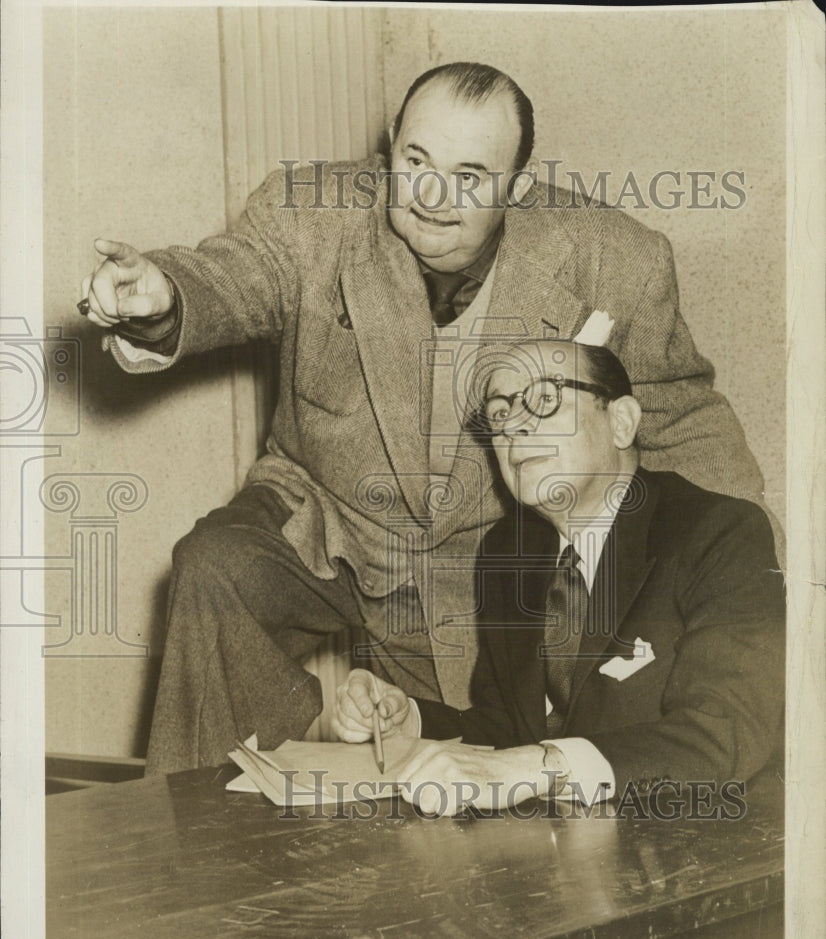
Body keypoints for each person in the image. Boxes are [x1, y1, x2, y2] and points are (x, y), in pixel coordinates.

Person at [78, 62, 768, 775]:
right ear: (389, 146)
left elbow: (679, 413)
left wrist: (751, 565)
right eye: (416, 162)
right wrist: (163, 297)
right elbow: (232, 275)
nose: (435, 197)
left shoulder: (617, 259)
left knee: (447, 773)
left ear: (518, 188)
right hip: (324, 512)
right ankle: (207, 824)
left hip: (480, 552)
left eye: (471, 175)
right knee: (215, 568)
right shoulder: (311, 214)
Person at [332, 340, 785, 817]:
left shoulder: (719, 532)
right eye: (499, 413)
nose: (514, 427)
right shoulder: (508, 552)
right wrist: (408, 719)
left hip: (694, 843)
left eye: (545, 400)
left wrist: (539, 769)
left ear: (622, 422)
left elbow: (726, 732)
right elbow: (511, 728)